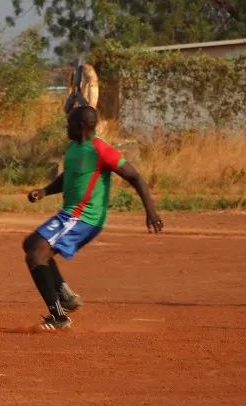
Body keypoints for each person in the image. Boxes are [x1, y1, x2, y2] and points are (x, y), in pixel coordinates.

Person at [24, 105, 164, 331]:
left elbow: (135, 176)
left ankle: (58, 316)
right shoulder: (74, 148)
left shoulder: (100, 149)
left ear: (80, 126)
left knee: (36, 254)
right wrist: (45, 191)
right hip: (71, 214)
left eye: (69, 124)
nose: (66, 128)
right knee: (30, 244)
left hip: (84, 217)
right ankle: (65, 296)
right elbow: (68, 176)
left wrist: (151, 210)